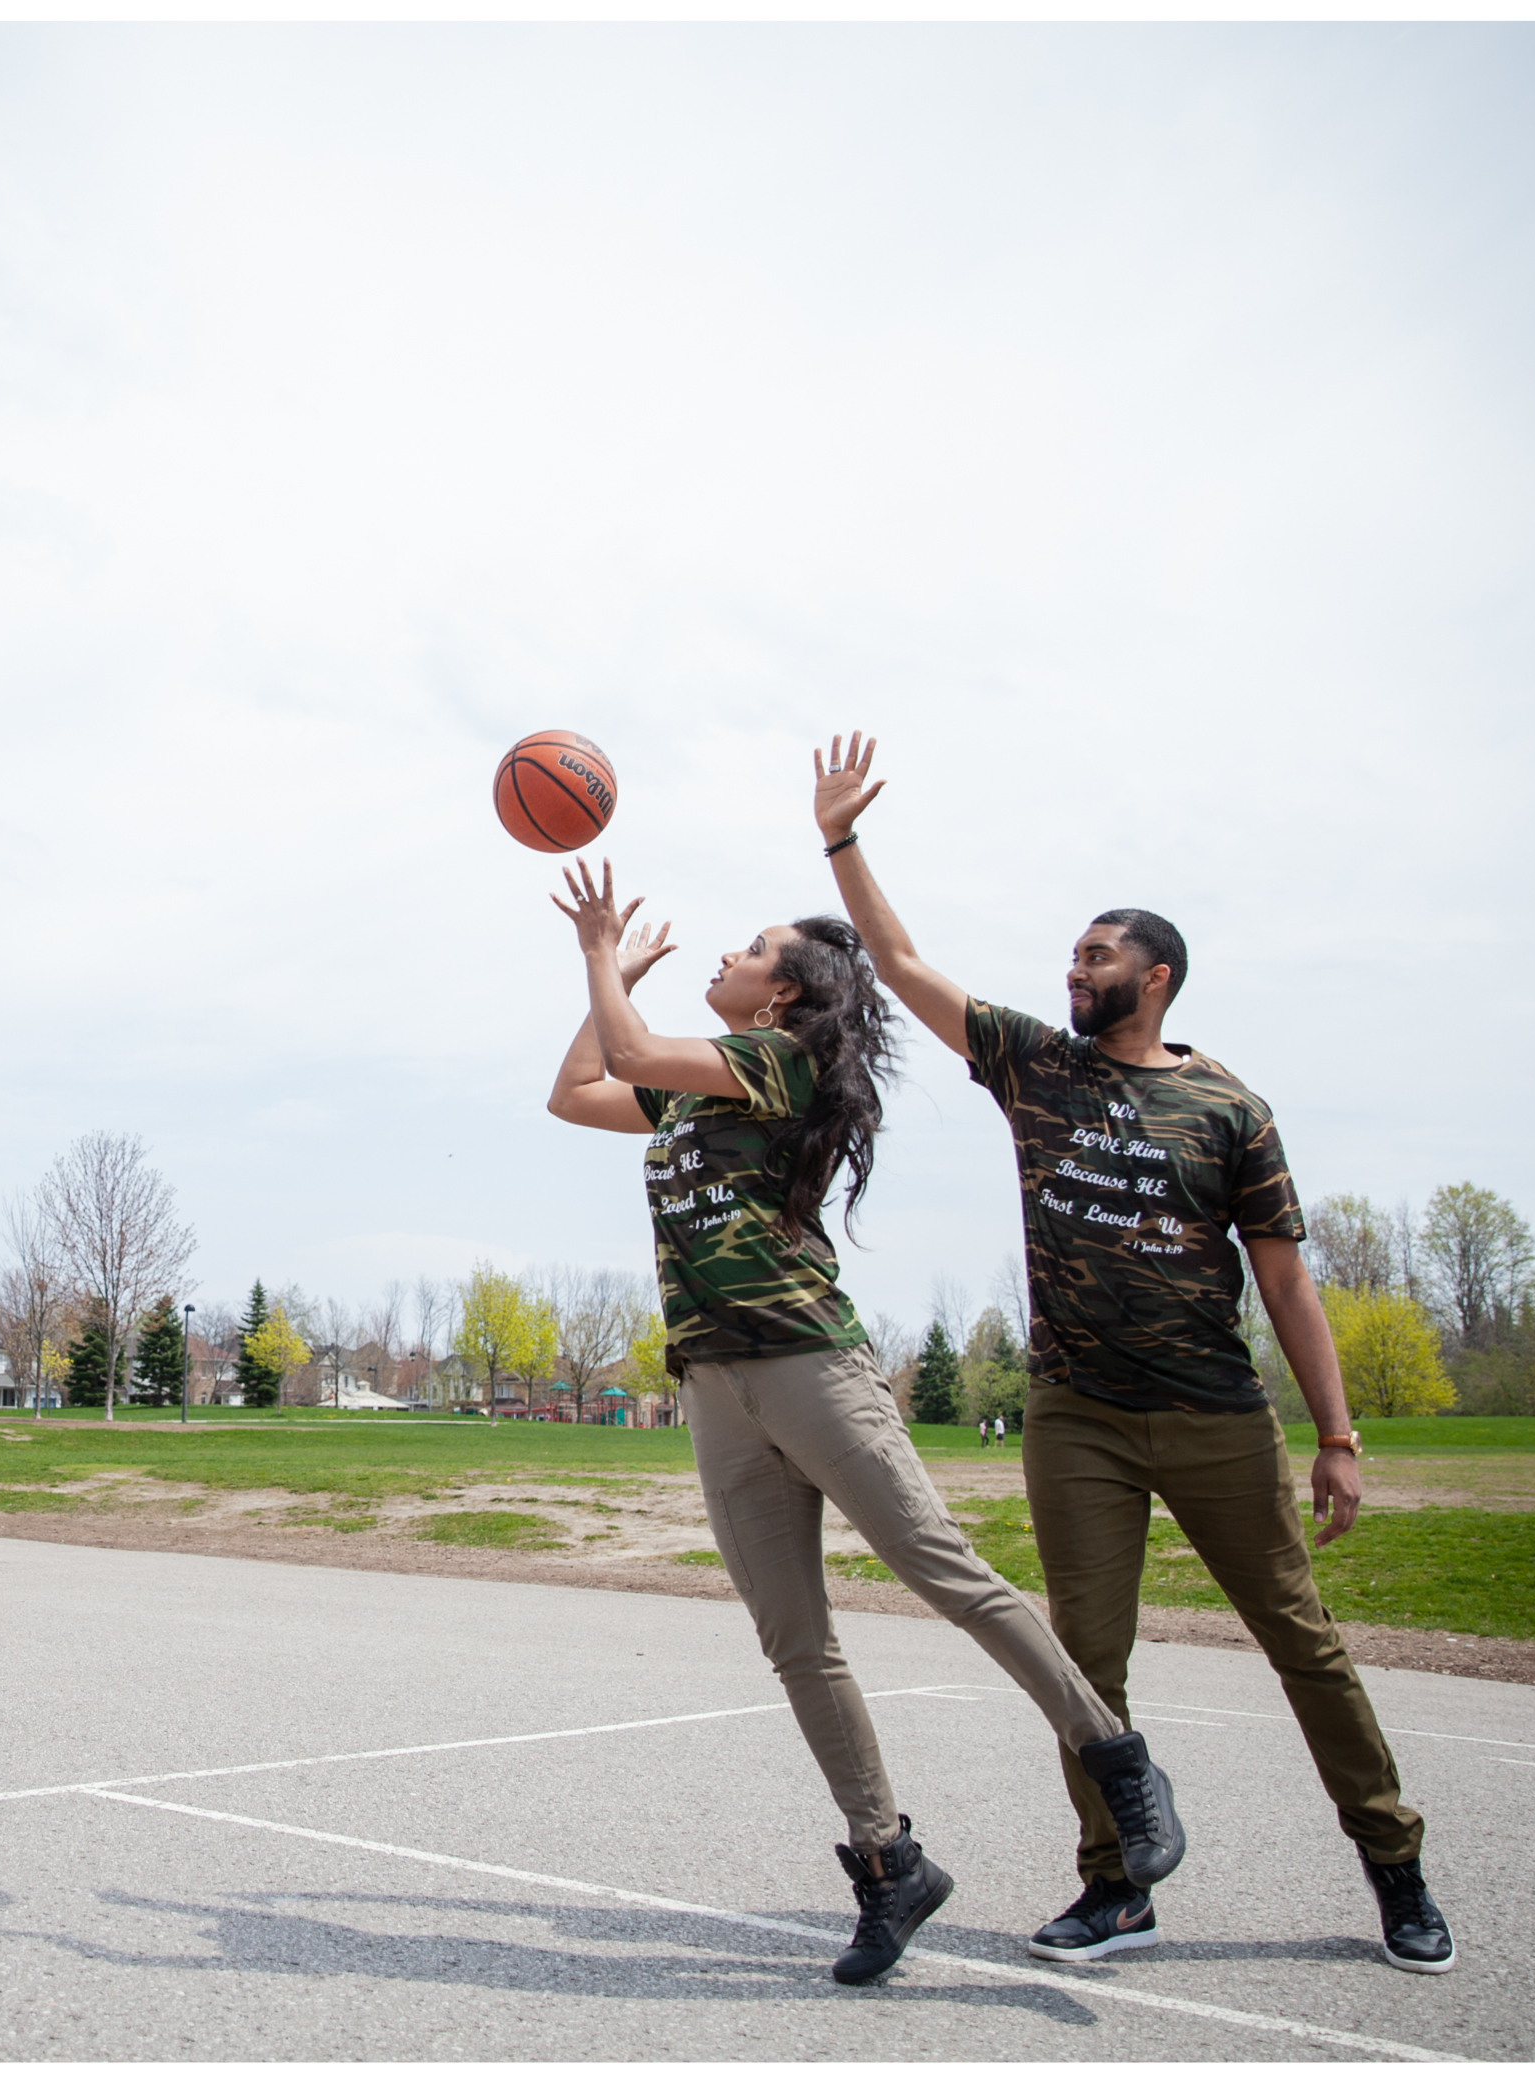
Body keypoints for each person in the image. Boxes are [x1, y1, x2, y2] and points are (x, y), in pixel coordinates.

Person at [813, 731, 1450, 1975]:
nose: (1073, 969)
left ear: (1153, 977)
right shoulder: (1034, 1066)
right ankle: (1113, 1888)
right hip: (1076, 1418)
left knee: (1299, 1640)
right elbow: (895, 962)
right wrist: (841, 839)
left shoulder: (1227, 1109)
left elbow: (1282, 1281)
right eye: (1069, 953)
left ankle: (1393, 1864)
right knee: (1082, 1655)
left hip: (1214, 1415)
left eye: (1096, 954)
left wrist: (1335, 1435)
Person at [545, 860, 1184, 1987]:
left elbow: (631, 1050)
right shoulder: (698, 1085)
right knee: (792, 1635)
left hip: (806, 1363)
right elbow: (577, 1091)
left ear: (781, 995)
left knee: (942, 1571)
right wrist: (606, 978)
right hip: (714, 1383)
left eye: (746, 951)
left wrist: (601, 955)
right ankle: (887, 1861)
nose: (724, 959)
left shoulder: (780, 1063)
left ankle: (1114, 1756)